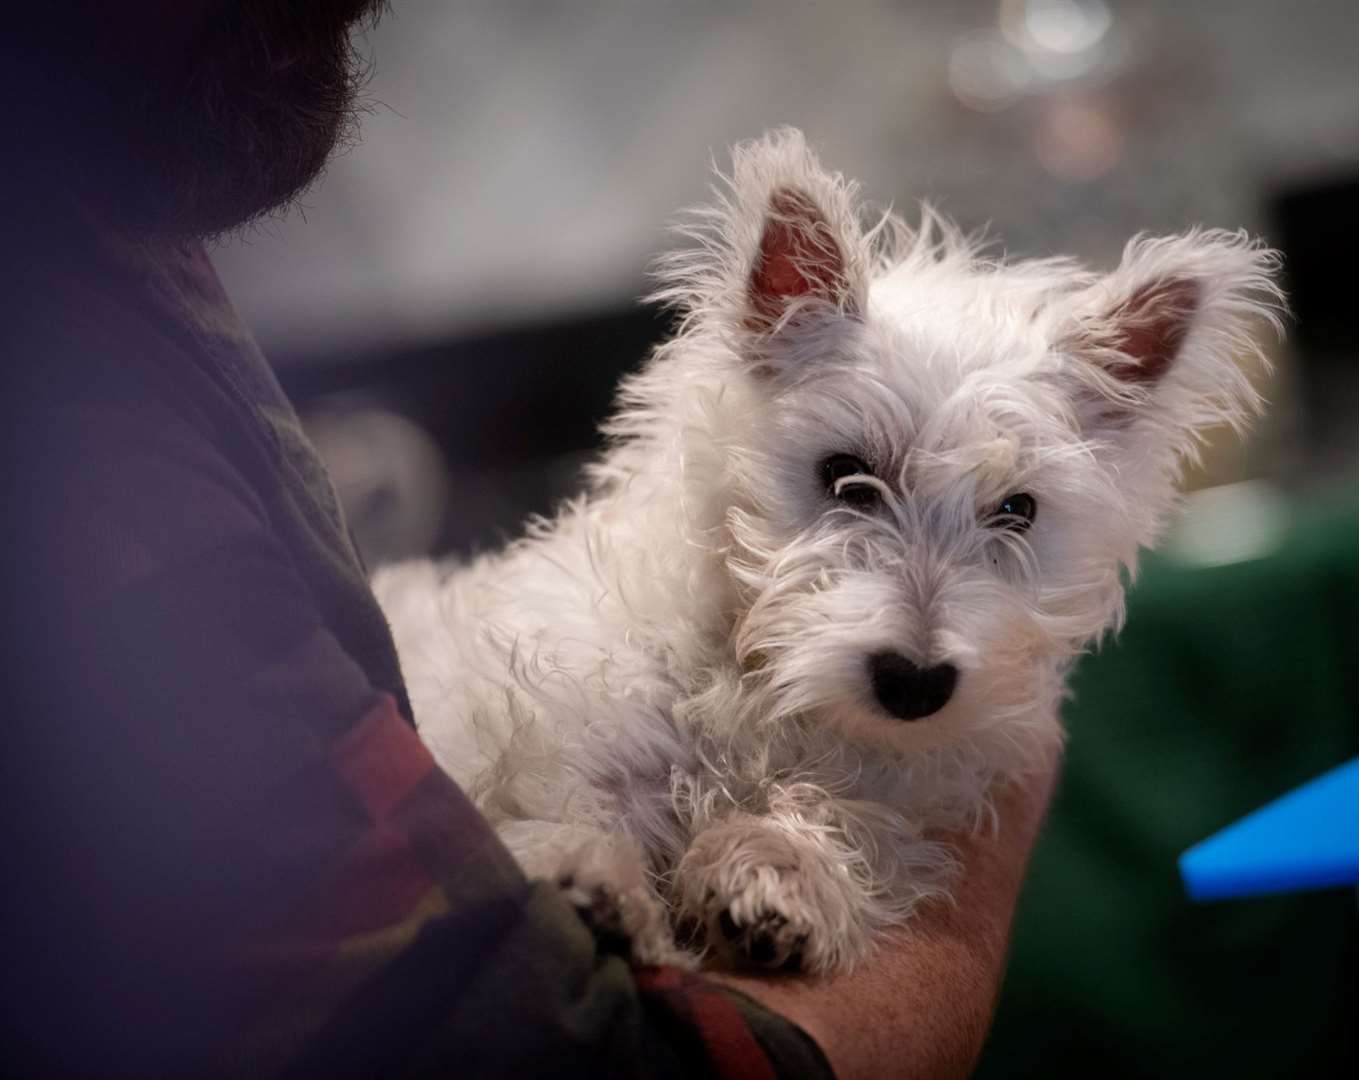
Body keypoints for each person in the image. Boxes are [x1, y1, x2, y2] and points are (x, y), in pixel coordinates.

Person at [0, 5, 1059, 1077]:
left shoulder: (108, 243)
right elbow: (575, 1051)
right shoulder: (79, 446)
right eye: (851, 485)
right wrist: (994, 825)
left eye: (1011, 517)